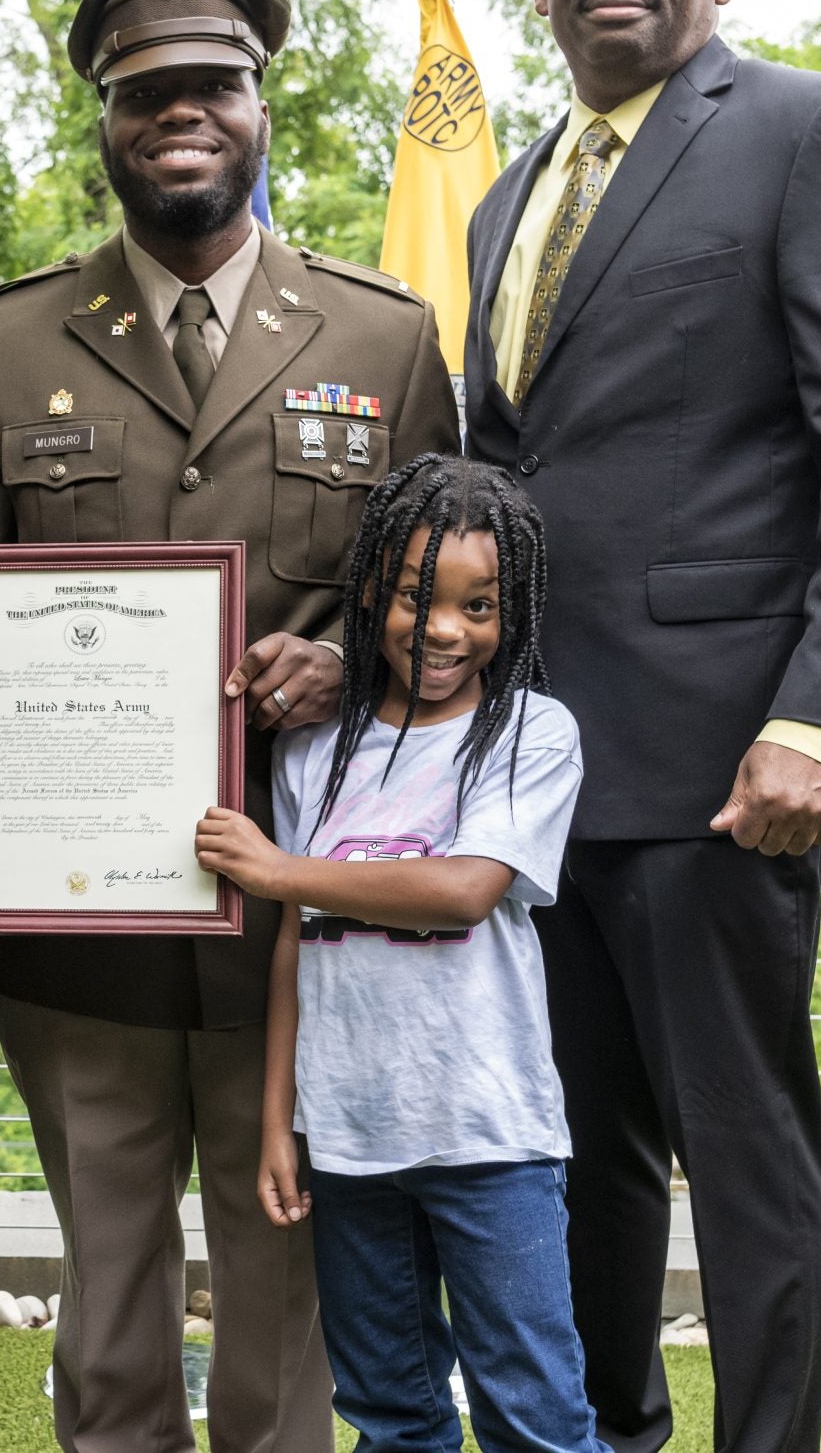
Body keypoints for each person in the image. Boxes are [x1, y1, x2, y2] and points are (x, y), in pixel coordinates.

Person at [0, 0, 462, 1453]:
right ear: (106, 123)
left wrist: (349, 651)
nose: (180, 115)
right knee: (111, 1282)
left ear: (262, 103)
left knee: (287, 1279)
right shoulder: (2, 345)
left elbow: (451, 598)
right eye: (147, 94)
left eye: (212, 84)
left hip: (310, 896)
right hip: (77, 910)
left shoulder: (384, 337)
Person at [458, 0, 821, 1453]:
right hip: (536, 768)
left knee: (745, 1158)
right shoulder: (509, 198)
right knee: (576, 1156)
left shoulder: (813, 133)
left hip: (730, 760)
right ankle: (614, 1433)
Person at [196, 454, 599, 1453]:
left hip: (487, 1136)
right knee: (389, 1411)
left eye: (479, 605)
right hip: (351, 1139)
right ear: (372, 587)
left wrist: (280, 871)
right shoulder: (311, 754)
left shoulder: (531, 735)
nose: (446, 628)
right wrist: (280, 1120)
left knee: (535, 1416)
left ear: (513, 614)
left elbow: (465, 890)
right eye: (417, 596)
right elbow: (297, 944)